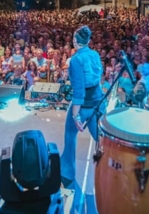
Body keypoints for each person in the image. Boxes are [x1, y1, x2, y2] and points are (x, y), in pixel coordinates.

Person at [60, 25, 103, 186]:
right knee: (100, 138)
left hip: (83, 104)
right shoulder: (95, 54)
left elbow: (79, 90)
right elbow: (98, 78)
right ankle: (106, 170)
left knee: (70, 134)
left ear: (75, 41)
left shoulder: (76, 59)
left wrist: (75, 114)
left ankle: (67, 171)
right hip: (97, 102)